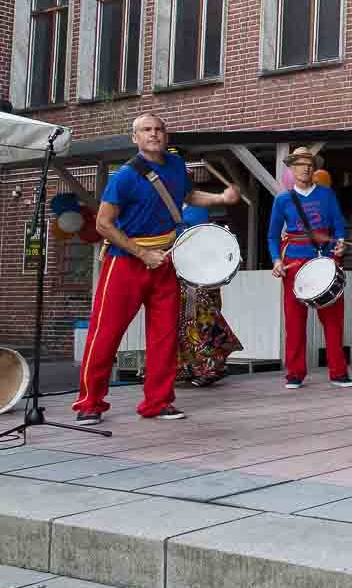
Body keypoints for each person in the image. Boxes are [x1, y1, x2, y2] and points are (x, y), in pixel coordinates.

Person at [72, 114, 240, 424]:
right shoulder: (124, 176)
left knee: (164, 335)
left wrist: (220, 197)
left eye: (159, 129)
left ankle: (158, 402)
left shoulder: (176, 166)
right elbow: (103, 224)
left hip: (165, 260)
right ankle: (90, 402)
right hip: (125, 261)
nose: (154, 134)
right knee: (106, 333)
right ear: (135, 137)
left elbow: (188, 196)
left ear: (166, 135)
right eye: (146, 130)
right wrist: (142, 253)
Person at [268, 147, 351, 389]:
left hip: (325, 259)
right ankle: (295, 373)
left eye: (309, 164)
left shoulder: (327, 194)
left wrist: (340, 244)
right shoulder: (282, 200)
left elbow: (339, 226)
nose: (305, 168)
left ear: (314, 168)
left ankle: (338, 372)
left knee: (333, 320)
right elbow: (272, 236)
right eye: (300, 164)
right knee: (294, 322)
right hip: (294, 262)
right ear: (292, 169)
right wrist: (276, 260)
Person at [175, 203, 243, 389]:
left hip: (199, 272)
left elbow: (204, 238)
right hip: (181, 270)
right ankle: (189, 367)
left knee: (200, 318)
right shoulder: (168, 205)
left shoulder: (197, 207)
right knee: (183, 320)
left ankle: (212, 366)